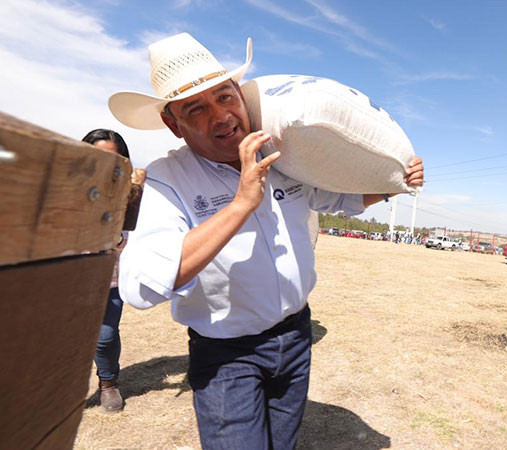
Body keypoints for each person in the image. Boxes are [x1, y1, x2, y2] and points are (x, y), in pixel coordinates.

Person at [110, 33, 424, 449]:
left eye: (224, 97)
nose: (220, 116)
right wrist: (241, 203)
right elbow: (141, 286)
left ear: (240, 95)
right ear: (173, 124)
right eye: (196, 109)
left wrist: (393, 184)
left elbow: (337, 197)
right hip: (227, 356)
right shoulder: (169, 178)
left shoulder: (280, 154)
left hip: (295, 338)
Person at [82, 129, 130, 413]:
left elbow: (133, 235)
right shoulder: (66, 187)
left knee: (105, 336)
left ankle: (108, 383)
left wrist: (119, 241)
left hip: (109, 279)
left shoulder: (127, 193)